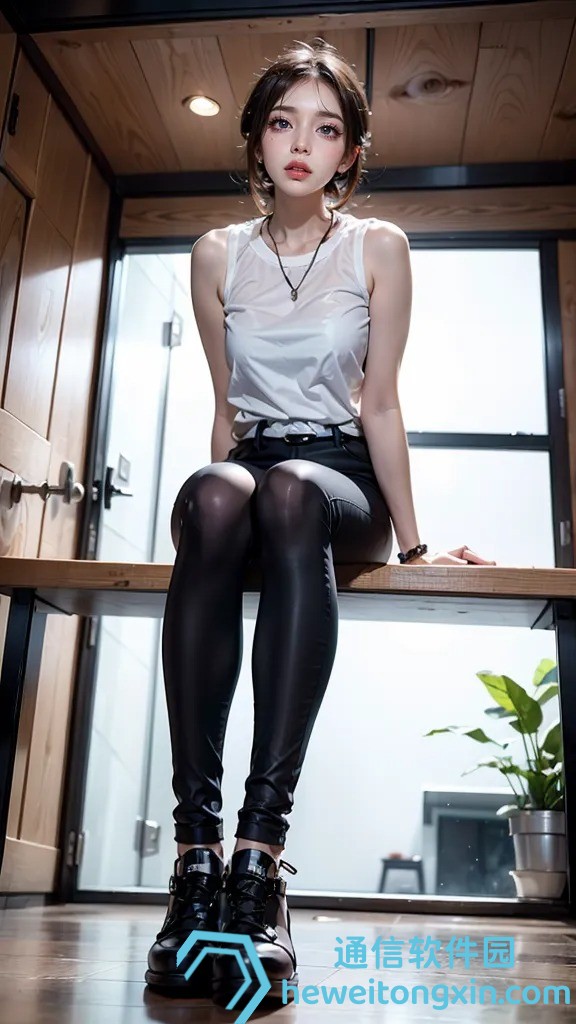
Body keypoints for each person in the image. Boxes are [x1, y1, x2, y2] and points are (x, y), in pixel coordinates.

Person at [145, 37, 495, 1008]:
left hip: (335, 486)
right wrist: (203, 520)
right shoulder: (216, 254)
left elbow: (379, 401)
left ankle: (260, 858)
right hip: (256, 468)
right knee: (220, 491)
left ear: (351, 151)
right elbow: (227, 409)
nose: (302, 144)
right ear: (256, 139)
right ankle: (196, 859)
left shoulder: (378, 246)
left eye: (327, 128)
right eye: (283, 122)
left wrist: (416, 543)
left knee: (292, 488)